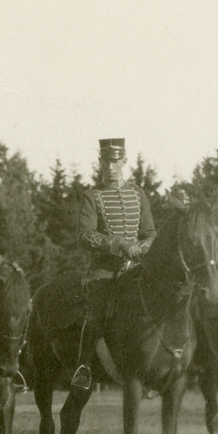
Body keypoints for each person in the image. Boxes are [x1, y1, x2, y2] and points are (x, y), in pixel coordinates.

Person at [71, 138, 157, 391]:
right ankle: (84, 367)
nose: (110, 166)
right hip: (105, 271)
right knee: (95, 313)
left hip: (137, 269)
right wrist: (118, 243)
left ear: (124, 162)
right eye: (105, 161)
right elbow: (85, 235)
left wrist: (145, 245)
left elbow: (150, 232)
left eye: (115, 161)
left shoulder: (138, 194)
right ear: (100, 162)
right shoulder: (91, 196)